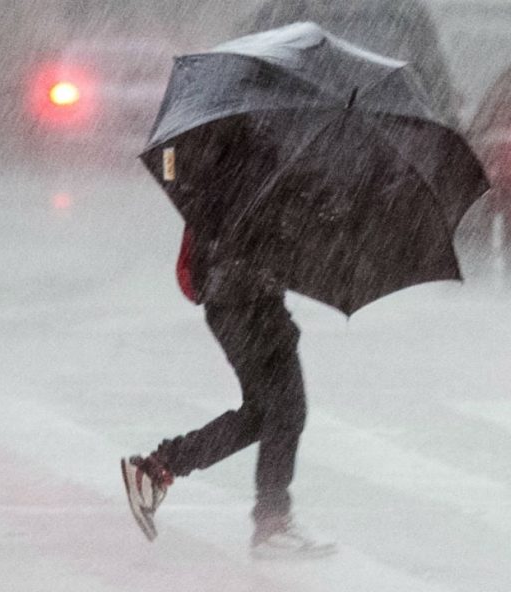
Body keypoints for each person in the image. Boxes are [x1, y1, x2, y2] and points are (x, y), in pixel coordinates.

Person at [121, 123, 336, 559]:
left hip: (237, 299)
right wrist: (311, 205)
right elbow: (261, 230)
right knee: (286, 411)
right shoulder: (259, 156)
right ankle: (272, 524)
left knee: (266, 414)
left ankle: (158, 468)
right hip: (247, 299)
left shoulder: (234, 149)